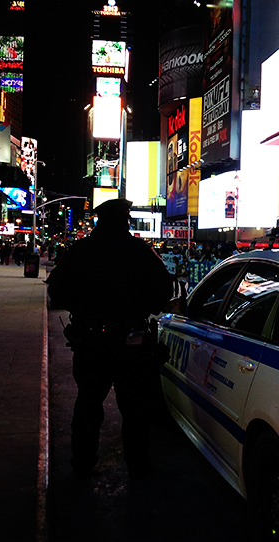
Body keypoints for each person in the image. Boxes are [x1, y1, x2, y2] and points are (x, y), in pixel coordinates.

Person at [46, 198, 172, 480]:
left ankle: (82, 463)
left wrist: (82, 308)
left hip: (91, 341)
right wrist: (141, 307)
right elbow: (164, 290)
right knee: (135, 409)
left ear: (99, 221)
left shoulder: (80, 251)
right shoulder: (140, 252)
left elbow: (57, 291)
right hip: (132, 343)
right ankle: (137, 464)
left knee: (88, 404)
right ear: (125, 221)